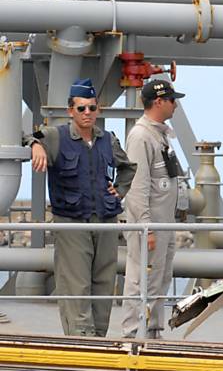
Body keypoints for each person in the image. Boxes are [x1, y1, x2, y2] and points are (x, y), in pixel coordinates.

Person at [25, 78, 136, 336]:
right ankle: (80, 340)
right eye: (81, 108)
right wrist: (36, 146)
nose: (87, 113)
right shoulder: (56, 136)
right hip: (72, 223)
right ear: (70, 111)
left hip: (106, 221)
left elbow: (128, 167)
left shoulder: (108, 139)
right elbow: (27, 135)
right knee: (76, 284)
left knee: (104, 282)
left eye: (92, 108)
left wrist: (118, 191)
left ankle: (98, 338)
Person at [121, 79, 186, 339]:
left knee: (160, 276)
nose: (176, 105)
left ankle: (153, 331)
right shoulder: (140, 137)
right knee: (140, 278)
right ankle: (131, 333)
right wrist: (146, 226)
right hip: (150, 225)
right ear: (159, 102)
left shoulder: (160, 135)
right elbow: (137, 188)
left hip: (164, 224)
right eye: (172, 100)